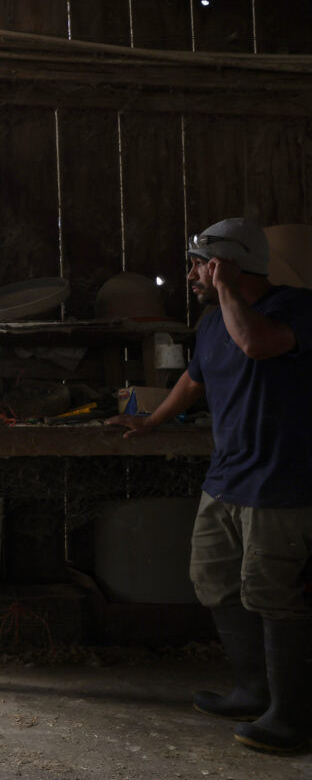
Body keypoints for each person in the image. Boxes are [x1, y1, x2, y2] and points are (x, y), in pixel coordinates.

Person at [106, 218, 312, 753]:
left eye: (201, 262)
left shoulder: (295, 308)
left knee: (275, 595)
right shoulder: (211, 324)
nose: (193, 274)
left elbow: (257, 345)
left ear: (228, 264)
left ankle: (291, 717)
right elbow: (193, 380)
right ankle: (251, 690)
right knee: (214, 578)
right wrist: (151, 421)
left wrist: (225, 289)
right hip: (227, 478)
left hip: (282, 481)